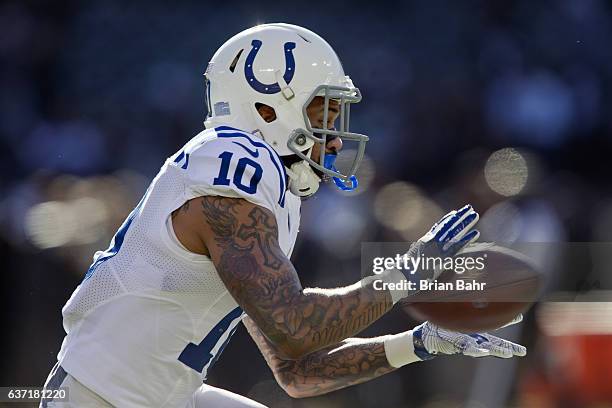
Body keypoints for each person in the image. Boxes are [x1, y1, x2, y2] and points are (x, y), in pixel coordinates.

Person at [41, 23, 526, 408]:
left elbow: (298, 372)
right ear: (269, 109)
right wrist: (409, 273)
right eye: (323, 116)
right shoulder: (232, 168)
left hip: (160, 393)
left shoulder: (267, 191)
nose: (333, 138)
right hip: (100, 397)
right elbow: (296, 331)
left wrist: (419, 342)